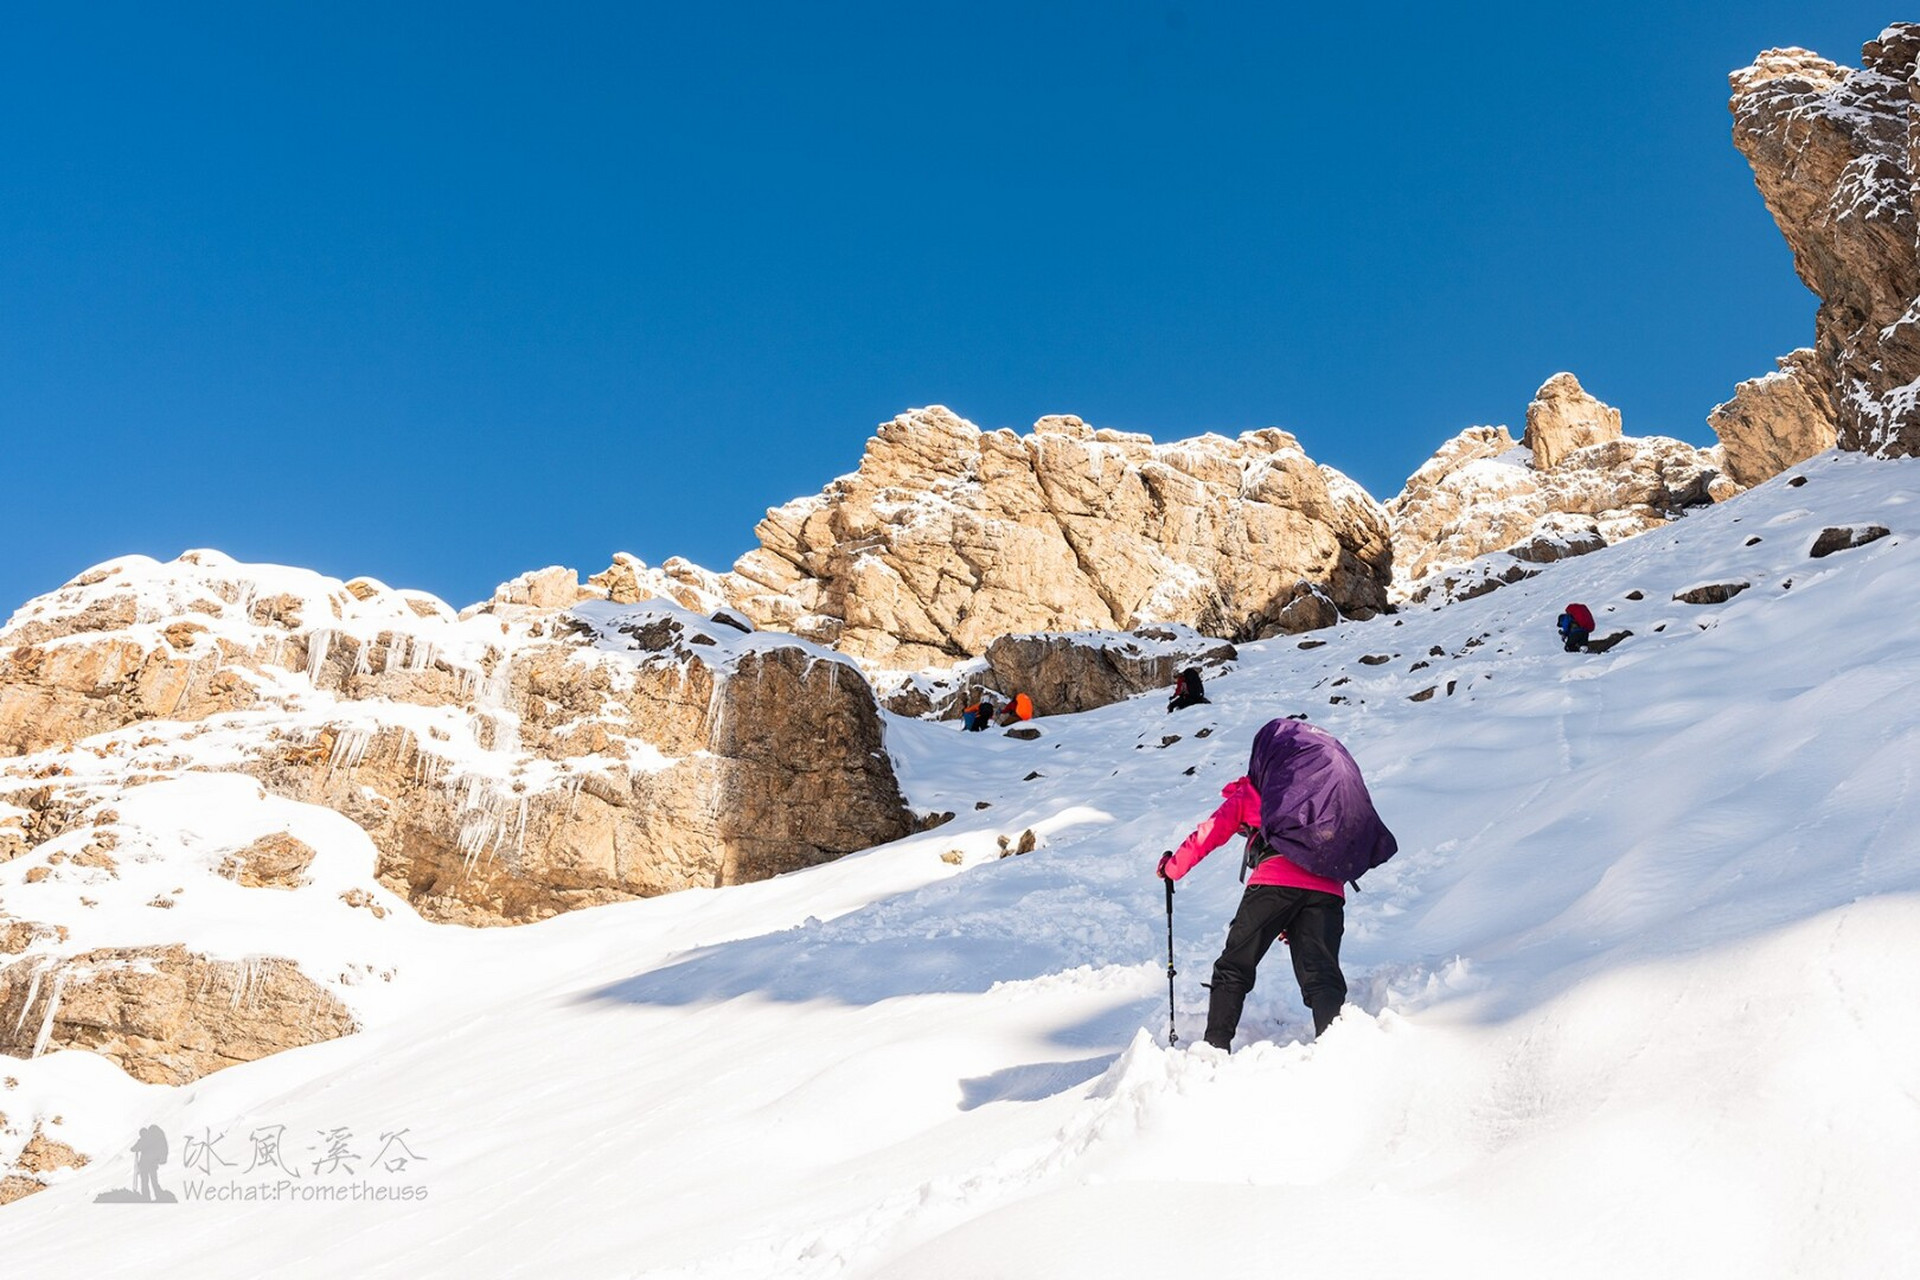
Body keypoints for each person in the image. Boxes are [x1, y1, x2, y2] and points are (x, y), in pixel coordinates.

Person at [1157, 717, 1396, 1048]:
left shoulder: (1255, 792)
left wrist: (1172, 869)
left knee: (1234, 967)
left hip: (1273, 884)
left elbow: (1210, 833)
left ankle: (1212, 1049)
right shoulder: (1318, 799)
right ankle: (1337, 1051)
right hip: (1328, 888)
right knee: (1322, 975)